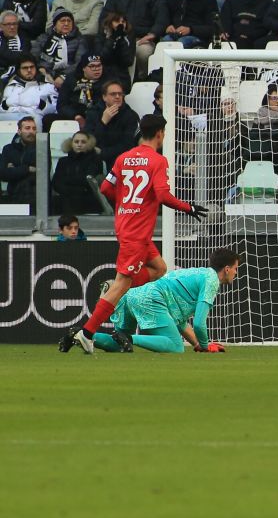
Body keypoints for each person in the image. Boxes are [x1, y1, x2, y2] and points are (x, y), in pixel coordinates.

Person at [61, 114, 207, 354]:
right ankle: (87, 333)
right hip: (137, 233)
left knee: (159, 268)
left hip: (128, 227)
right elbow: (162, 195)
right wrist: (188, 207)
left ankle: (116, 285)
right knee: (122, 284)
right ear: (160, 133)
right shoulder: (158, 161)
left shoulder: (123, 158)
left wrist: (128, 203)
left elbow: (106, 187)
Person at [82, 249, 240, 354]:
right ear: (226, 269)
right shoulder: (212, 280)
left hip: (134, 295)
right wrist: (206, 346)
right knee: (176, 346)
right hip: (152, 298)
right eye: (235, 269)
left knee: (117, 345)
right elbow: (199, 323)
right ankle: (128, 338)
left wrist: (197, 344)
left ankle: (81, 335)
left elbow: (181, 323)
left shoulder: (200, 274)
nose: (236, 273)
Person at [51, 129, 104, 213]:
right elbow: (56, 182)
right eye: (76, 142)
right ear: (71, 144)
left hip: (86, 199)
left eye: (83, 142)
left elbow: (89, 181)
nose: (79, 144)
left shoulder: (95, 160)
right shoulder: (63, 161)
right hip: (66, 197)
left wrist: (68, 180)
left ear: (89, 144)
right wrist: (69, 188)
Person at [0, 115, 37, 205]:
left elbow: (42, 172)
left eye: (34, 128)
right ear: (19, 131)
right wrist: (27, 169)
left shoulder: (42, 149)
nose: (31, 131)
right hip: (13, 194)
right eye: (27, 128)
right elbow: (3, 174)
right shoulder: (8, 149)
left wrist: (14, 169)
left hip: (35, 196)